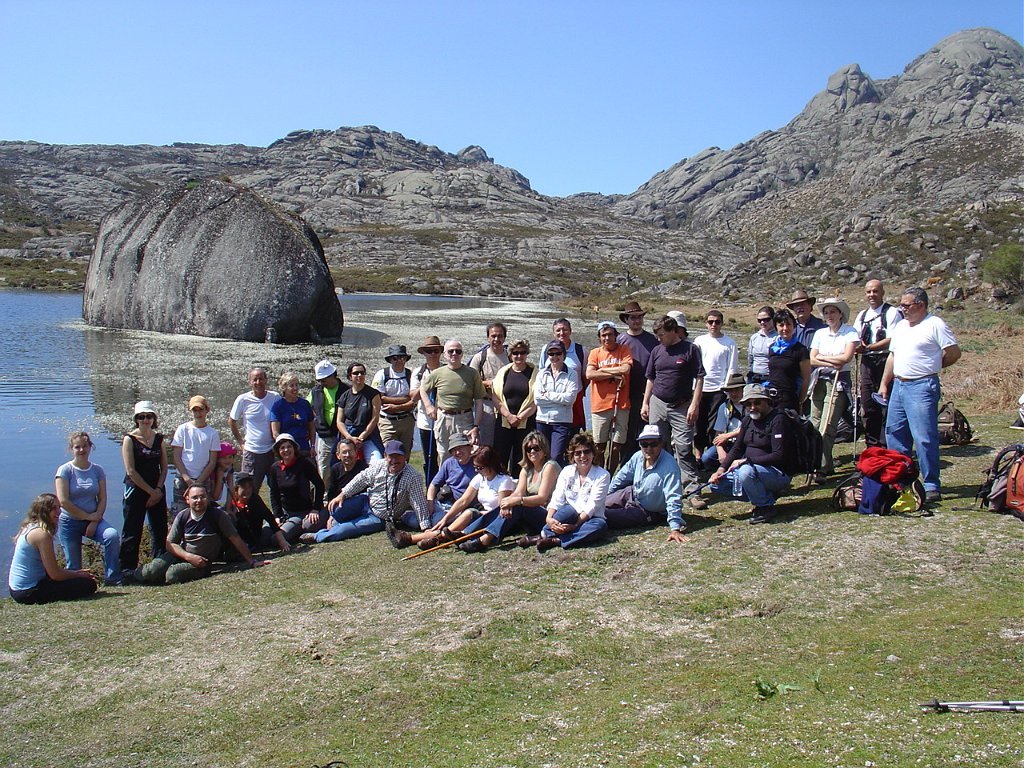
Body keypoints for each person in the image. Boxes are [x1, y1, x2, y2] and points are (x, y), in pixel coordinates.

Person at [879, 286, 962, 503]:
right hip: (899, 384)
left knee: (923, 437)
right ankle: (901, 481)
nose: (903, 309)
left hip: (922, 385)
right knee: (895, 433)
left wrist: (934, 366)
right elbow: (893, 356)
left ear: (921, 305)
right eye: (901, 305)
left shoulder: (935, 324)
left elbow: (953, 352)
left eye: (907, 305)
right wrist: (884, 384)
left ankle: (931, 483)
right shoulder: (901, 326)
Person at [136, 483, 269, 585]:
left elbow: (236, 539)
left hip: (201, 563)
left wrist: (252, 562)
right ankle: (132, 576)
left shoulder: (218, 516)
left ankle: (160, 577)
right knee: (150, 571)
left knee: (172, 575)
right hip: (183, 555)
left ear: (208, 498)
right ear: (187, 500)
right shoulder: (183, 516)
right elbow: (170, 544)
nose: (199, 500)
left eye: (202, 497)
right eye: (194, 497)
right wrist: (188, 556)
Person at [640, 315, 706, 509]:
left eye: (661, 335)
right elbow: (650, 378)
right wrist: (645, 403)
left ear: (673, 331)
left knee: (684, 447)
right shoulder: (657, 350)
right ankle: (661, 486)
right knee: (656, 445)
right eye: (657, 335)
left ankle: (692, 490)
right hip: (658, 402)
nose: (659, 338)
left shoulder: (690, 349)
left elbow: (700, 378)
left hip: (682, 405)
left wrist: (695, 404)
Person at [460, 430, 560, 552]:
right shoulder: (526, 469)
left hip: (549, 516)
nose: (532, 451)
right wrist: (506, 503)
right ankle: (465, 534)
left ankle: (484, 540)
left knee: (518, 505)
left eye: (536, 448)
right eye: (528, 449)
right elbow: (518, 492)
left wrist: (517, 501)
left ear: (544, 449)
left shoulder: (550, 466)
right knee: (510, 505)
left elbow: (542, 498)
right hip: (531, 514)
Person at [316, 440, 431, 545]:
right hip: (365, 501)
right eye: (391, 456)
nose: (394, 461)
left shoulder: (413, 477)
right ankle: (318, 525)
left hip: (379, 518)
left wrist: (426, 528)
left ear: (405, 457)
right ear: (385, 456)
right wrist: (343, 494)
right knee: (335, 509)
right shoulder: (379, 465)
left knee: (343, 530)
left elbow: (419, 503)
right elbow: (361, 479)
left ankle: (317, 536)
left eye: (398, 456)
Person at [709, 384, 794, 525]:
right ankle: (765, 495)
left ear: (767, 401)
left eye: (757, 402)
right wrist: (720, 470)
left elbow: (778, 455)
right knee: (715, 485)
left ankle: (765, 507)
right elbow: (737, 448)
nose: (753, 407)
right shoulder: (748, 420)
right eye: (748, 404)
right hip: (752, 470)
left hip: (777, 472)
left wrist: (746, 461)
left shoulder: (779, 419)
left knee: (745, 472)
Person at [519, 432, 610, 551]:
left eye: (586, 451)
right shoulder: (567, 471)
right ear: (573, 456)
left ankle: (555, 540)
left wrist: (575, 525)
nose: (582, 456)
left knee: (600, 526)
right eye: (578, 453)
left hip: (590, 518)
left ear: (593, 453)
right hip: (569, 513)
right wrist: (549, 519)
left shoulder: (603, 475)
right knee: (566, 512)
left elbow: (592, 506)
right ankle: (545, 534)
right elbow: (557, 498)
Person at [416, 446, 515, 550]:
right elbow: (464, 500)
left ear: (490, 465)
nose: (476, 470)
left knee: (469, 513)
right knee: (466, 514)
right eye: (475, 467)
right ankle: (427, 538)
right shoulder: (480, 478)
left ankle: (435, 538)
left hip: (495, 519)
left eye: (479, 468)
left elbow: (501, 510)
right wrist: (445, 519)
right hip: (482, 515)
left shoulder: (504, 481)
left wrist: (481, 514)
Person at [55, 430, 121, 585]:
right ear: (71, 449)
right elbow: (63, 501)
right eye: (77, 447)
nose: (81, 450)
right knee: (74, 566)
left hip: (94, 519)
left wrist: (94, 520)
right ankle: (78, 587)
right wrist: (86, 516)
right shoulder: (65, 470)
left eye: (85, 446)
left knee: (112, 536)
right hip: (69, 522)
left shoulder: (97, 470)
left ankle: (112, 578)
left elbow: (102, 498)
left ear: (90, 447)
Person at [8, 493, 98, 604]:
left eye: (59, 507)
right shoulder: (41, 534)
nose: (59, 512)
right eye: (54, 508)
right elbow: (55, 575)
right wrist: (78, 574)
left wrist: (74, 574)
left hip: (17, 588)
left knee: (79, 580)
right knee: (88, 584)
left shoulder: (29, 527)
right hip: (28, 591)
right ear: (44, 511)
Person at [808, 298, 860, 480]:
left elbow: (846, 358)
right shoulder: (820, 333)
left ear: (840, 314)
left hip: (838, 381)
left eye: (833, 312)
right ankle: (823, 463)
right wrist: (832, 361)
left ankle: (821, 468)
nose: (829, 315)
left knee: (828, 424)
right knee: (814, 423)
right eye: (826, 312)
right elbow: (812, 358)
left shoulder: (850, 332)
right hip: (819, 380)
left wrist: (823, 357)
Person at [605, 424, 686, 542]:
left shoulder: (670, 467)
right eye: (644, 444)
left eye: (653, 444)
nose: (649, 448)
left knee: (604, 515)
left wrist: (675, 528)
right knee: (595, 505)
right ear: (640, 444)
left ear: (661, 443)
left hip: (647, 512)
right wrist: (607, 494)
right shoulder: (637, 456)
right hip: (631, 493)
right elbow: (621, 477)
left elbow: (673, 497)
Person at [120, 400, 169, 572]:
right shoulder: (129, 439)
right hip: (136, 489)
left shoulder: (159, 439)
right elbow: (130, 470)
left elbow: (164, 468)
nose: (145, 420)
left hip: (157, 488)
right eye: (141, 417)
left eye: (149, 416)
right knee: (132, 530)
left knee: (159, 529)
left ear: (153, 418)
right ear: (136, 419)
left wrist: (158, 490)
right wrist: (150, 492)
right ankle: (127, 570)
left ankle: (159, 566)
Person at [853, 279, 902, 447]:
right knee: (868, 404)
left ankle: (889, 445)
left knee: (887, 403)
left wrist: (870, 347)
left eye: (875, 291)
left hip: (886, 359)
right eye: (868, 292)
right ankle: (872, 447)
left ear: (882, 292)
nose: (872, 295)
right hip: (867, 362)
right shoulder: (862, 315)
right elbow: (855, 338)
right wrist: (857, 347)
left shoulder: (892, 312)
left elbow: (893, 339)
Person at [421, 339, 487, 457]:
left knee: (466, 455)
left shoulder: (472, 373)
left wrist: (476, 426)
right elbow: (423, 389)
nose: (454, 354)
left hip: (465, 419)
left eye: (458, 351)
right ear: (445, 354)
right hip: (444, 419)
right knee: (444, 455)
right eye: (451, 351)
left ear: (462, 354)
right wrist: (428, 406)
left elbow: (479, 401)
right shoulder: (437, 373)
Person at [616, 301, 659, 465]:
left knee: (644, 431)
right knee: (626, 433)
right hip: (626, 393)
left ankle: (645, 463)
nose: (637, 321)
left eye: (639, 317)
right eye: (633, 318)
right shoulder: (620, 340)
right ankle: (625, 465)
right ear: (626, 320)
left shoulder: (652, 340)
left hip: (647, 392)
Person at [586, 321, 633, 470]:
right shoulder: (595, 353)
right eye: (603, 335)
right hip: (600, 405)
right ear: (599, 337)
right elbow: (590, 374)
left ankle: (611, 475)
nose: (607, 338)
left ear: (615, 335)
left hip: (621, 404)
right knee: (599, 445)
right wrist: (613, 374)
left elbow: (625, 369)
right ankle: (600, 474)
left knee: (616, 446)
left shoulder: (624, 350)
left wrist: (602, 371)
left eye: (610, 335)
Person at [299, 439, 369, 536]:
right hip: (337, 506)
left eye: (350, 451)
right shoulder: (335, 469)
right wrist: (331, 515)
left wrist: (336, 515)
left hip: (357, 506)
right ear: (338, 455)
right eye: (344, 452)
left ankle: (326, 532)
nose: (348, 455)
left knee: (335, 524)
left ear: (356, 452)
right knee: (308, 525)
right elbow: (331, 494)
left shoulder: (364, 468)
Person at [693, 309, 738, 454]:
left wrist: (727, 389)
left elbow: (732, 367)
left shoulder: (729, 343)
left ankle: (712, 453)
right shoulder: (699, 341)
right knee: (698, 422)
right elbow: (695, 364)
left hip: (719, 389)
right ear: (706, 323)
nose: (714, 325)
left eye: (717, 322)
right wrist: (694, 386)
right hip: (701, 388)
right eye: (711, 322)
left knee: (714, 424)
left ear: (722, 323)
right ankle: (699, 454)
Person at [229, 367, 280, 493]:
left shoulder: (275, 397)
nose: (258, 382)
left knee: (277, 487)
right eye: (255, 380)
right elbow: (232, 421)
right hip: (252, 452)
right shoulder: (243, 399)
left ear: (266, 380)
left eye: (261, 379)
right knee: (248, 489)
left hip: (271, 451)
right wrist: (241, 442)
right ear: (250, 382)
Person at [266, 433, 324, 543]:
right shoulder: (275, 468)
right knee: (264, 535)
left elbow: (319, 485)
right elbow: (274, 493)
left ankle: (298, 531)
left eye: (289, 446)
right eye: (282, 448)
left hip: (300, 512)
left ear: (294, 448)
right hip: (284, 512)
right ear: (278, 451)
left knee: (276, 539)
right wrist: (277, 516)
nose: (286, 450)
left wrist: (315, 509)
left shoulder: (304, 464)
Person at [490, 338, 538, 473]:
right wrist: (509, 416)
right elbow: (495, 396)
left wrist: (520, 417)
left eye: (522, 352)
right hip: (504, 423)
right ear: (510, 354)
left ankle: (520, 484)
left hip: (526, 423)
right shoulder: (503, 372)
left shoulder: (535, 373)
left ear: (527, 353)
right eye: (515, 353)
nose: (519, 356)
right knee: (499, 459)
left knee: (522, 460)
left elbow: (536, 400)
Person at [534, 339, 581, 465]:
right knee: (541, 456)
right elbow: (537, 399)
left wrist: (547, 395)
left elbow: (570, 399)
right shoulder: (541, 374)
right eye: (551, 354)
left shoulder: (572, 374)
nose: (554, 357)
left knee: (555, 457)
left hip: (562, 422)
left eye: (558, 353)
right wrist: (559, 399)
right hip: (542, 421)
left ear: (563, 354)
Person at [539, 318, 589, 431]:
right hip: (550, 402)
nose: (561, 333)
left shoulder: (581, 351)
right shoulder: (545, 350)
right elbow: (541, 374)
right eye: (558, 330)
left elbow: (585, 377)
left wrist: (578, 392)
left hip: (573, 401)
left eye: (565, 330)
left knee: (572, 434)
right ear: (553, 333)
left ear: (570, 331)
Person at [170, 395, 220, 509]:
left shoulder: (213, 433)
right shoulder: (182, 429)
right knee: (179, 510)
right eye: (194, 410)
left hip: (203, 478)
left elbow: (212, 462)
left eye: (200, 409)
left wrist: (198, 482)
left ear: (207, 410)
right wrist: (187, 479)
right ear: (190, 411)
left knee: (202, 510)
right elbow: (176, 457)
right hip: (182, 478)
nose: (198, 413)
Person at [225, 473, 290, 554]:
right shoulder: (230, 505)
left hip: (255, 539)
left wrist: (281, 541)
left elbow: (269, 518)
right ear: (236, 489)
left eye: (249, 486)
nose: (247, 490)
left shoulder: (255, 500)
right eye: (243, 487)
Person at [469, 322, 510, 447]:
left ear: (504, 338)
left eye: (500, 336)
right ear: (488, 338)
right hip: (486, 406)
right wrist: (488, 383)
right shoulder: (479, 358)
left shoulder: (511, 357)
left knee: (505, 443)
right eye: (493, 336)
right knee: (486, 444)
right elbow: (471, 383)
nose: (496, 339)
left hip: (507, 405)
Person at [308, 359, 348, 486]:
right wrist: (317, 419)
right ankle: (324, 494)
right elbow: (307, 407)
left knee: (344, 466)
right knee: (324, 469)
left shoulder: (346, 390)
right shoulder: (315, 391)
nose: (321, 383)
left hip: (342, 436)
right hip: (324, 437)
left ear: (332, 376)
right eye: (319, 380)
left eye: (323, 380)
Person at [335, 362, 385, 463]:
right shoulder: (344, 396)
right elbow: (339, 421)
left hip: (368, 436)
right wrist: (349, 437)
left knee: (377, 462)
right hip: (348, 436)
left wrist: (361, 438)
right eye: (356, 373)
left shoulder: (373, 394)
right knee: (336, 463)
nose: (359, 375)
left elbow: (375, 418)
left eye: (362, 373)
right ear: (350, 376)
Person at [372, 345, 417, 457]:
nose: (399, 361)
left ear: (406, 359)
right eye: (395, 358)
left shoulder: (411, 375)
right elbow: (380, 398)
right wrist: (405, 399)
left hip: (407, 421)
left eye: (402, 358)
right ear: (390, 360)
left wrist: (396, 407)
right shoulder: (382, 374)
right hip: (387, 422)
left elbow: (414, 399)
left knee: (405, 454)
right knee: (389, 455)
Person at [410, 336, 444, 483]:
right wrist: (426, 384)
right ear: (424, 353)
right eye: (429, 351)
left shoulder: (447, 370)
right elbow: (413, 397)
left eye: (436, 350)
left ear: (441, 352)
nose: (433, 354)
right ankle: (430, 486)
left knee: (445, 456)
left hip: (444, 420)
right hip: (425, 422)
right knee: (429, 457)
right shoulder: (418, 372)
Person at [423, 434, 478, 523]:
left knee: (435, 520)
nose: (457, 452)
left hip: (466, 507)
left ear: (469, 447)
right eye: (454, 450)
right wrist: (430, 503)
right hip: (448, 503)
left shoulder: (477, 463)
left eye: (460, 448)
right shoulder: (448, 463)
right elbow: (434, 484)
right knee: (413, 519)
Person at [700, 372, 748, 472]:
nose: (734, 394)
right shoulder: (724, 407)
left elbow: (750, 428)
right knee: (707, 458)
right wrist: (720, 450)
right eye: (731, 391)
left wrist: (728, 435)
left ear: (743, 390)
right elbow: (719, 434)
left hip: (746, 444)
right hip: (730, 444)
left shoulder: (751, 406)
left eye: (737, 390)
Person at [767, 308, 811, 413]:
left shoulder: (801, 350)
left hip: (789, 398)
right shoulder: (772, 348)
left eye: (789, 324)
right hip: (770, 396)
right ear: (776, 327)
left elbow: (806, 379)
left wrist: (800, 401)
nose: (785, 328)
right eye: (781, 325)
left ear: (794, 326)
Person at [270, 371, 316, 456]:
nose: (295, 388)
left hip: (304, 448)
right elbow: (275, 433)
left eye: (297, 385)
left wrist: (313, 445)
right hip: (287, 452)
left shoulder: (305, 404)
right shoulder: (278, 406)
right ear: (284, 388)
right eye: (291, 385)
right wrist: (286, 448)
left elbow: (312, 427)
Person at [747, 306, 777, 384]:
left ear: (773, 319)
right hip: (753, 377)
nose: (762, 322)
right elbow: (750, 358)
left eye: (766, 319)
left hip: (770, 378)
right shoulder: (754, 337)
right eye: (759, 320)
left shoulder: (778, 337)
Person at [211, 442, 237, 506]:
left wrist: (228, 508)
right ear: (217, 459)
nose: (227, 460)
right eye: (224, 458)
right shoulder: (212, 472)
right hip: (210, 500)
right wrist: (219, 478)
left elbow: (231, 489)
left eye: (230, 457)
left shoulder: (229, 468)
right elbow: (215, 497)